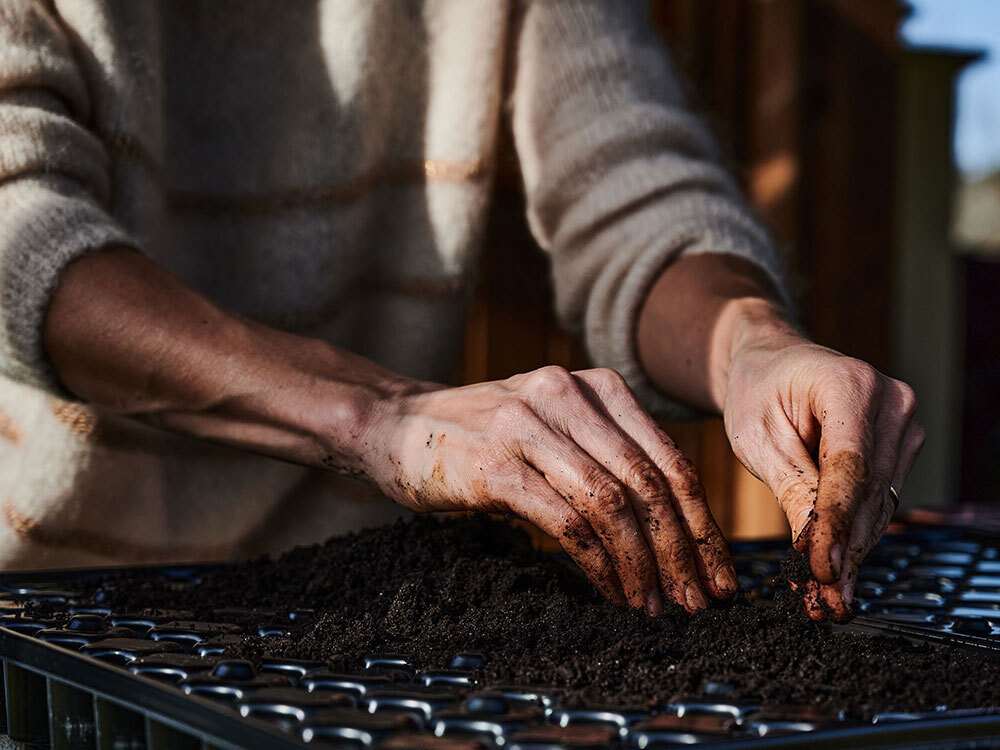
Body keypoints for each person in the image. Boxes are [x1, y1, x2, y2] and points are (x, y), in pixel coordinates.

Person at [0, 0, 921, 622]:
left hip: (368, 609)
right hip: (66, 601)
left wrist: (749, 344)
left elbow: (638, 189)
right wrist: (376, 415)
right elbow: (19, 227)